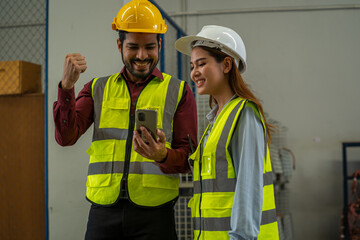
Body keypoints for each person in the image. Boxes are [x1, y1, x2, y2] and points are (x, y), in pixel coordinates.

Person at [53, 0, 197, 239]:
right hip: (103, 211)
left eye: (150, 47)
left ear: (160, 45)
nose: (142, 55)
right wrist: (67, 87)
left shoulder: (179, 91)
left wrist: (162, 155)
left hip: (155, 214)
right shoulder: (98, 88)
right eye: (133, 47)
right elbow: (65, 138)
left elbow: (188, 160)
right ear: (119, 44)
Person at [175, 25, 279, 239]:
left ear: (227, 65)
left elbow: (248, 189)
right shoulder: (216, 121)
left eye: (201, 64)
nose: (194, 72)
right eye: (192, 65)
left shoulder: (244, 114)